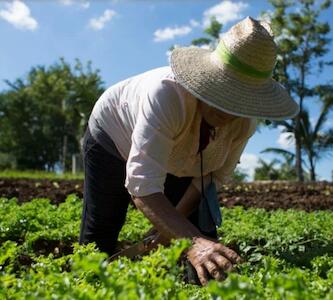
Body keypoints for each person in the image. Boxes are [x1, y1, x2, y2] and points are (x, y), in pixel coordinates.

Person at [79, 16, 299, 286]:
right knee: (102, 228)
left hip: (181, 157)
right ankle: (86, 284)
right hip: (112, 138)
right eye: (223, 92)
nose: (228, 109)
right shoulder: (167, 95)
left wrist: (175, 233)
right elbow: (143, 184)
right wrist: (191, 241)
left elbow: (210, 179)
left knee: (204, 246)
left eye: (238, 101)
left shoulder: (244, 124)